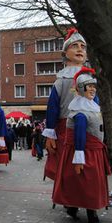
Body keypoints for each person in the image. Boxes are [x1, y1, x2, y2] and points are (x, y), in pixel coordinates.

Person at [52, 68, 111, 223]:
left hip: (94, 151)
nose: (92, 89)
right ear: (80, 89)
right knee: (87, 182)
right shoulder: (79, 111)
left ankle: (74, 207)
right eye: (88, 86)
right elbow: (79, 135)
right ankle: (90, 214)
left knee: (83, 182)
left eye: (94, 86)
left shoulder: (92, 107)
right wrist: (79, 158)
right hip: (84, 152)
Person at [42, 27, 87, 181]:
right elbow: (53, 106)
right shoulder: (61, 80)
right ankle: (70, 200)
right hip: (65, 129)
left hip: (89, 129)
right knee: (67, 165)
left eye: (83, 46)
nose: (80, 49)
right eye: (75, 46)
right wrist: (50, 131)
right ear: (65, 53)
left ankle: (88, 199)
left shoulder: (90, 76)